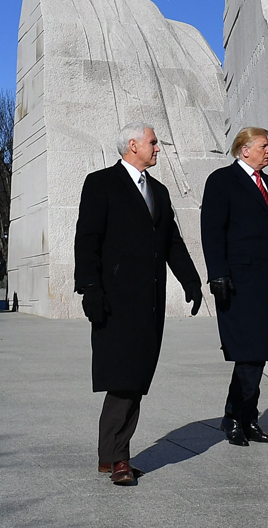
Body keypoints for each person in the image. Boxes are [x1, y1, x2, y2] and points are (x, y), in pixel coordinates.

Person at [75, 122, 204, 486]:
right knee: (122, 377)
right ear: (132, 146)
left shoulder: (158, 192)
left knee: (137, 379)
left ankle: (109, 456)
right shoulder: (100, 183)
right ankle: (118, 458)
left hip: (148, 303)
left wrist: (191, 281)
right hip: (113, 301)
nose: (158, 148)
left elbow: (172, 243)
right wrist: (89, 289)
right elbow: (86, 239)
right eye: (153, 142)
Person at [200, 126, 268, 446]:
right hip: (235, 282)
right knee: (248, 353)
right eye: (263, 146)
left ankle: (248, 418)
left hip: (265, 281)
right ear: (244, 149)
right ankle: (234, 416)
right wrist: (217, 273)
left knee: (258, 353)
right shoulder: (221, 181)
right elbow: (212, 230)